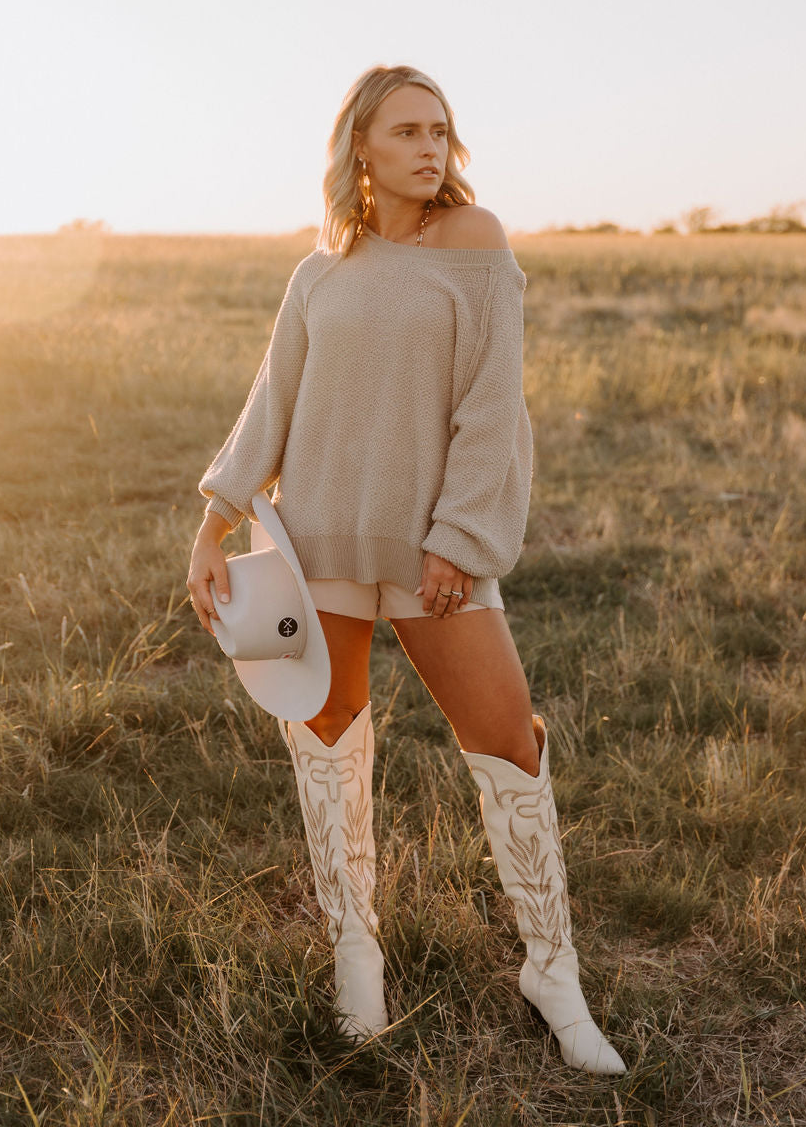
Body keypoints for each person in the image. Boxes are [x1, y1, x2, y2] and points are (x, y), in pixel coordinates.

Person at [186, 65, 626, 1076]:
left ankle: (549, 971)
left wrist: (458, 541)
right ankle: (356, 951)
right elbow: (273, 403)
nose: (431, 148)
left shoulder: (477, 245)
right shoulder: (319, 270)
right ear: (363, 150)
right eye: (408, 132)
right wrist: (214, 522)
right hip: (320, 539)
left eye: (441, 130)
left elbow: (491, 406)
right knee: (329, 734)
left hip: (431, 544)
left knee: (508, 739)